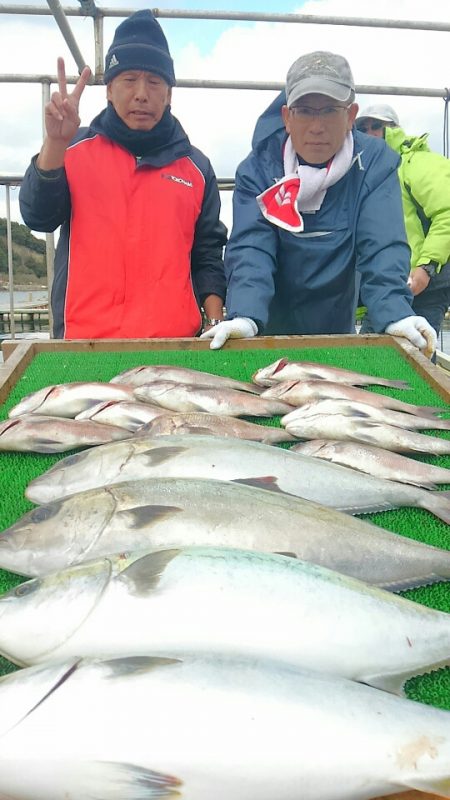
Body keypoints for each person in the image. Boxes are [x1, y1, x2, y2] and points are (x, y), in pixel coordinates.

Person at [200, 51, 436, 355]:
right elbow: (251, 247)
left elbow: (382, 244)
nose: (316, 126)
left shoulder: (375, 163)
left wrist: (395, 311)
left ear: (350, 116)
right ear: (287, 117)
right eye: (304, 111)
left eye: (329, 110)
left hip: (336, 327)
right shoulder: (257, 168)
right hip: (264, 329)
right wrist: (245, 314)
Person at [19, 10, 226, 339]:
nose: (142, 93)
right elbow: (37, 216)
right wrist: (55, 142)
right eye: (129, 80)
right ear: (109, 89)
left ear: (169, 93)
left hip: (175, 346)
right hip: (83, 344)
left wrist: (215, 325)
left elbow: (208, 254)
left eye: (155, 81)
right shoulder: (70, 149)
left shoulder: (198, 169)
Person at [356, 103, 450, 349]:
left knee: (415, 356)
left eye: (377, 126)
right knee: (367, 353)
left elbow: (447, 214)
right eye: (362, 128)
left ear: (393, 129)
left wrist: (426, 268)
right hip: (389, 286)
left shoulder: (418, 163)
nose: (369, 133)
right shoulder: (363, 174)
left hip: (427, 284)